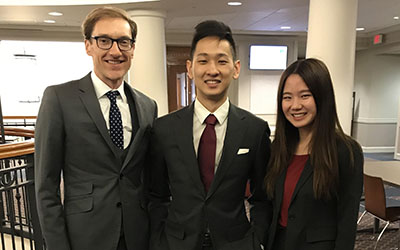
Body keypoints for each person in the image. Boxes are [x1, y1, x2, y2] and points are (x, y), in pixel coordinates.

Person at [34, 7, 157, 250]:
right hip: (84, 236)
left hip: (137, 235)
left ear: (132, 48)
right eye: (104, 41)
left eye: (123, 42)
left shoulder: (147, 105)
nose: (115, 51)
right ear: (88, 46)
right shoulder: (59, 98)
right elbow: (46, 186)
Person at [147, 20, 271, 250]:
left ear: (235, 69)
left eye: (221, 61)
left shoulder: (254, 130)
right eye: (203, 61)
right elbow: (157, 195)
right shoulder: (164, 129)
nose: (212, 70)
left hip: (236, 243)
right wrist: (158, 240)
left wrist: (258, 239)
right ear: (190, 68)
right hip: (176, 243)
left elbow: (262, 197)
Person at [264, 58, 363, 250]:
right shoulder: (279, 148)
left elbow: (347, 222)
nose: (295, 105)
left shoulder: (346, 151)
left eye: (304, 96)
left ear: (322, 97)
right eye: (287, 97)